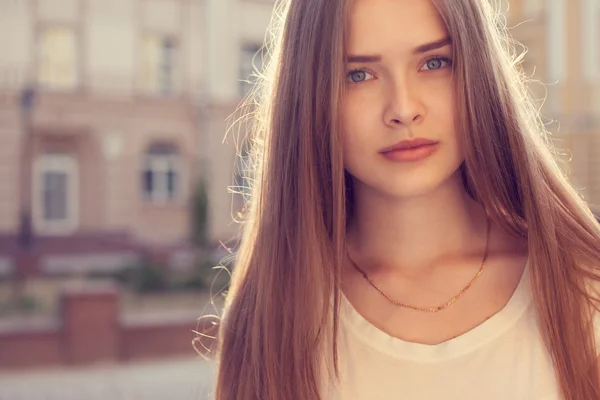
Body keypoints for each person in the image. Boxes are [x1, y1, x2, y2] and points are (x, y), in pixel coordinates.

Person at [214, 0, 600, 399]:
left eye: (434, 63)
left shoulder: (584, 288)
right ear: (310, 96)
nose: (403, 109)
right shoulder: (270, 320)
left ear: (479, 70)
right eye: (358, 74)